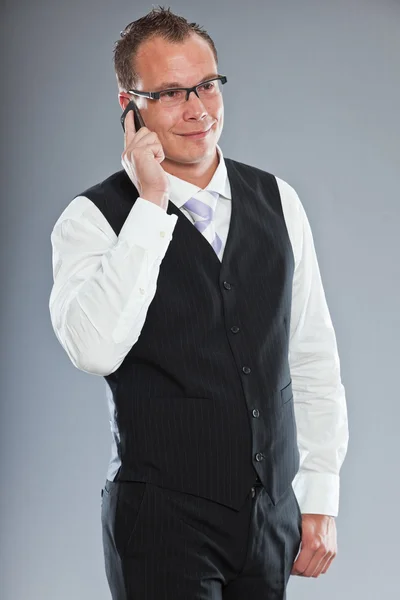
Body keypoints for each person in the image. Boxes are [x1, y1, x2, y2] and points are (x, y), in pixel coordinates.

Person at [48, 6, 349, 599]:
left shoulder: (278, 200)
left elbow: (310, 355)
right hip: (161, 522)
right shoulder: (93, 219)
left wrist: (319, 492)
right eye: (169, 93)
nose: (198, 110)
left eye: (207, 85)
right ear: (128, 105)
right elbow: (93, 349)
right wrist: (151, 205)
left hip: (270, 520)